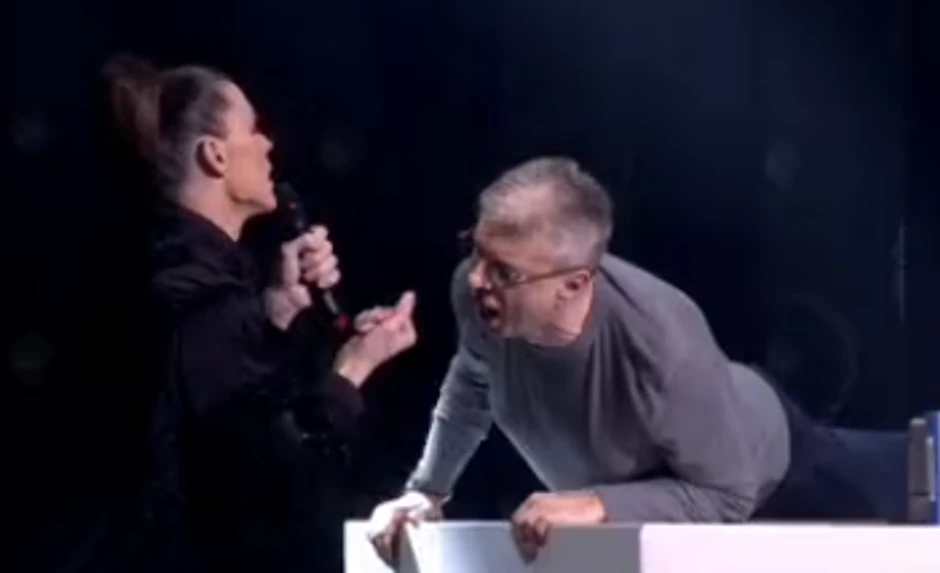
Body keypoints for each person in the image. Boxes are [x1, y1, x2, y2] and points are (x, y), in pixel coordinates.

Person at [367, 156, 908, 563]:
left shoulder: (660, 344)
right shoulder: (480, 295)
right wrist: (426, 491)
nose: (477, 280)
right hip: (668, 490)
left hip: (765, 468)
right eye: (476, 252)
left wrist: (597, 504)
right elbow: (472, 384)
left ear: (575, 284)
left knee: (905, 481)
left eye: (504, 271)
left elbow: (728, 494)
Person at [94, 54, 416, 572]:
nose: (268, 144)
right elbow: (270, 482)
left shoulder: (178, 273)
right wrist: (353, 368)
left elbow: (229, 403)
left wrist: (277, 313)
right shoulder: (195, 297)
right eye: (253, 128)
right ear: (215, 155)